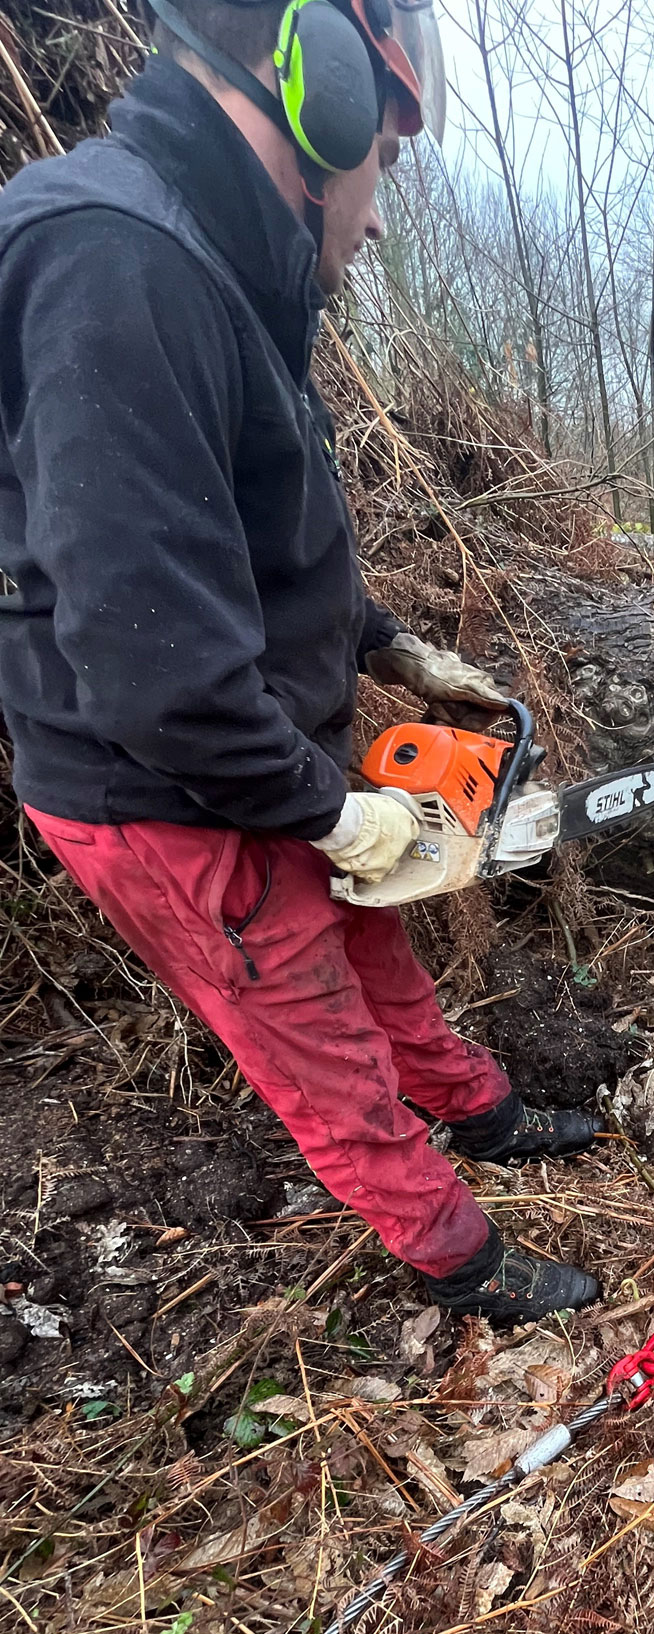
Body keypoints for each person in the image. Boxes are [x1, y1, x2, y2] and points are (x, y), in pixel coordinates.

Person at [0, 0, 601, 1325]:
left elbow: (254, 536)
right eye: (380, 162)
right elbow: (149, 658)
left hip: (256, 750)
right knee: (313, 1029)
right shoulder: (115, 264)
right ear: (316, 99)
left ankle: (479, 1110)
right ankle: (455, 1253)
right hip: (164, 791)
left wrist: (395, 650)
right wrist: (341, 810)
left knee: (376, 952)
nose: (377, 215)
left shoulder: (215, 262)